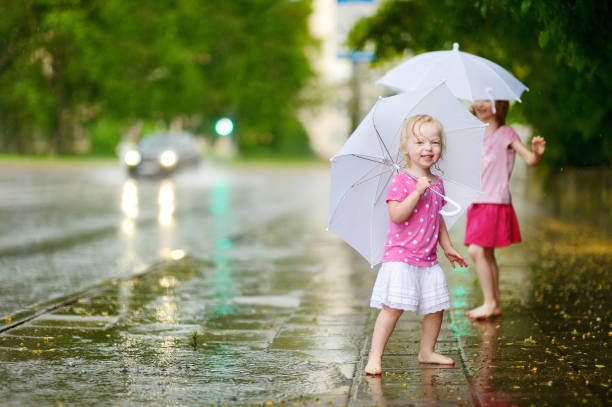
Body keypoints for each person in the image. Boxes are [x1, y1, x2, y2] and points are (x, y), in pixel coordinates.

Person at [364, 114, 468, 375]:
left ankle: (427, 350)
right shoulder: (401, 181)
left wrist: (448, 247)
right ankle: (375, 356)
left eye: (434, 142)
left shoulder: (438, 183)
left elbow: (438, 219)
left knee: (436, 307)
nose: (428, 148)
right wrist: (417, 191)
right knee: (393, 307)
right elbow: (397, 215)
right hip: (401, 258)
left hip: (428, 259)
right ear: (405, 149)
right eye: (420, 142)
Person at [465, 100, 546, 320]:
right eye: (477, 99)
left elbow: (529, 159)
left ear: (500, 105)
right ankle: (495, 303)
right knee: (487, 253)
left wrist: (537, 154)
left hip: (494, 202)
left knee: (476, 251)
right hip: (478, 202)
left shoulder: (505, 133)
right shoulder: (477, 135)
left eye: (487, 99)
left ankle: (490, 302)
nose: (480, 103)